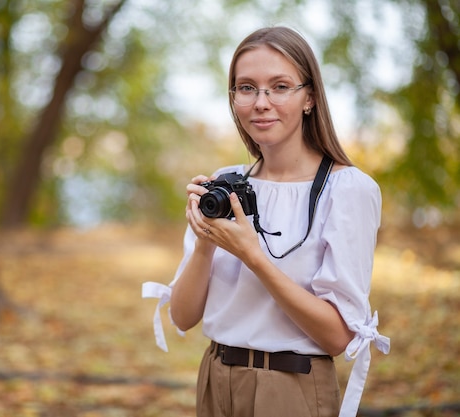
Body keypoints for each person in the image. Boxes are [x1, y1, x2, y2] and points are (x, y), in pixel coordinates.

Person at [142, 26, 390, 417]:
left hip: (290, 387)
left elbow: (337, 336)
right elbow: (183, 317)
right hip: (215, 378)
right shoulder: (225, 186)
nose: (261, 102)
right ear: (233, 97)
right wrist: (205, 242)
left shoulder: (347, 190)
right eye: (247, 87)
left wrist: (254, 257)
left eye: (279, 86)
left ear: (309, 97)